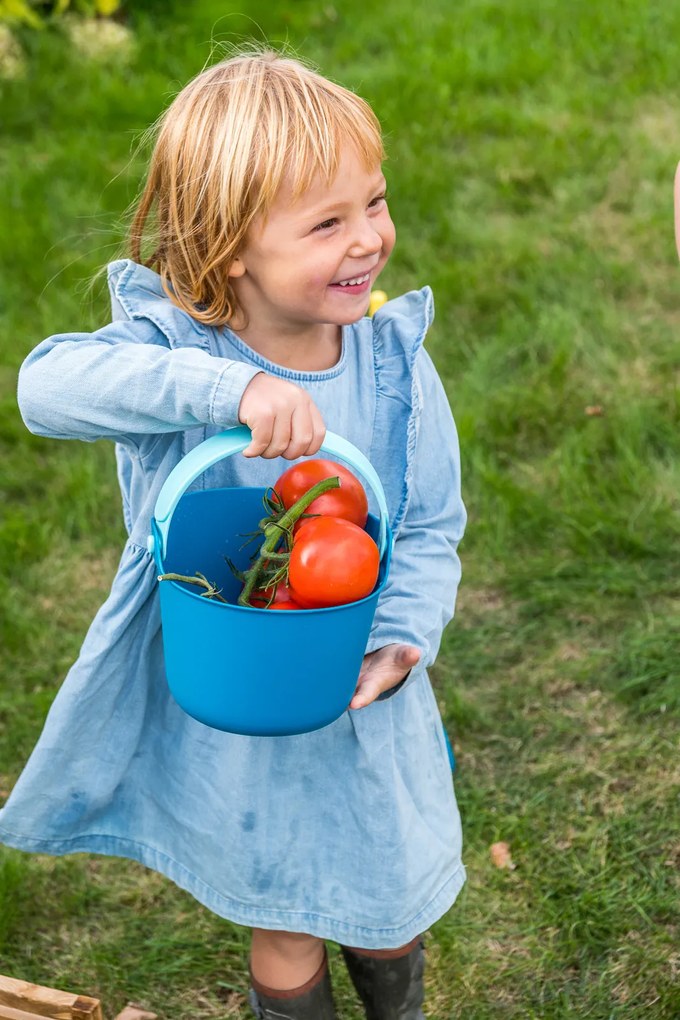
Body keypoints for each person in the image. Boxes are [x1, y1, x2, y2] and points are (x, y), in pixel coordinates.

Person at [0, 49, 467, 1020]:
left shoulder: (391, 365)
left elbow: (427, 523)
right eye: (326, 223)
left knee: (388, 903)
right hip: (239, 704)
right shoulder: (177, 349)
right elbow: (45, 387)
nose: (368, 238)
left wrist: (401, 635)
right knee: (284, 912)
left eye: (374, 203)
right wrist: (231, 388)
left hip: (361, 691)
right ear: (229, 246)